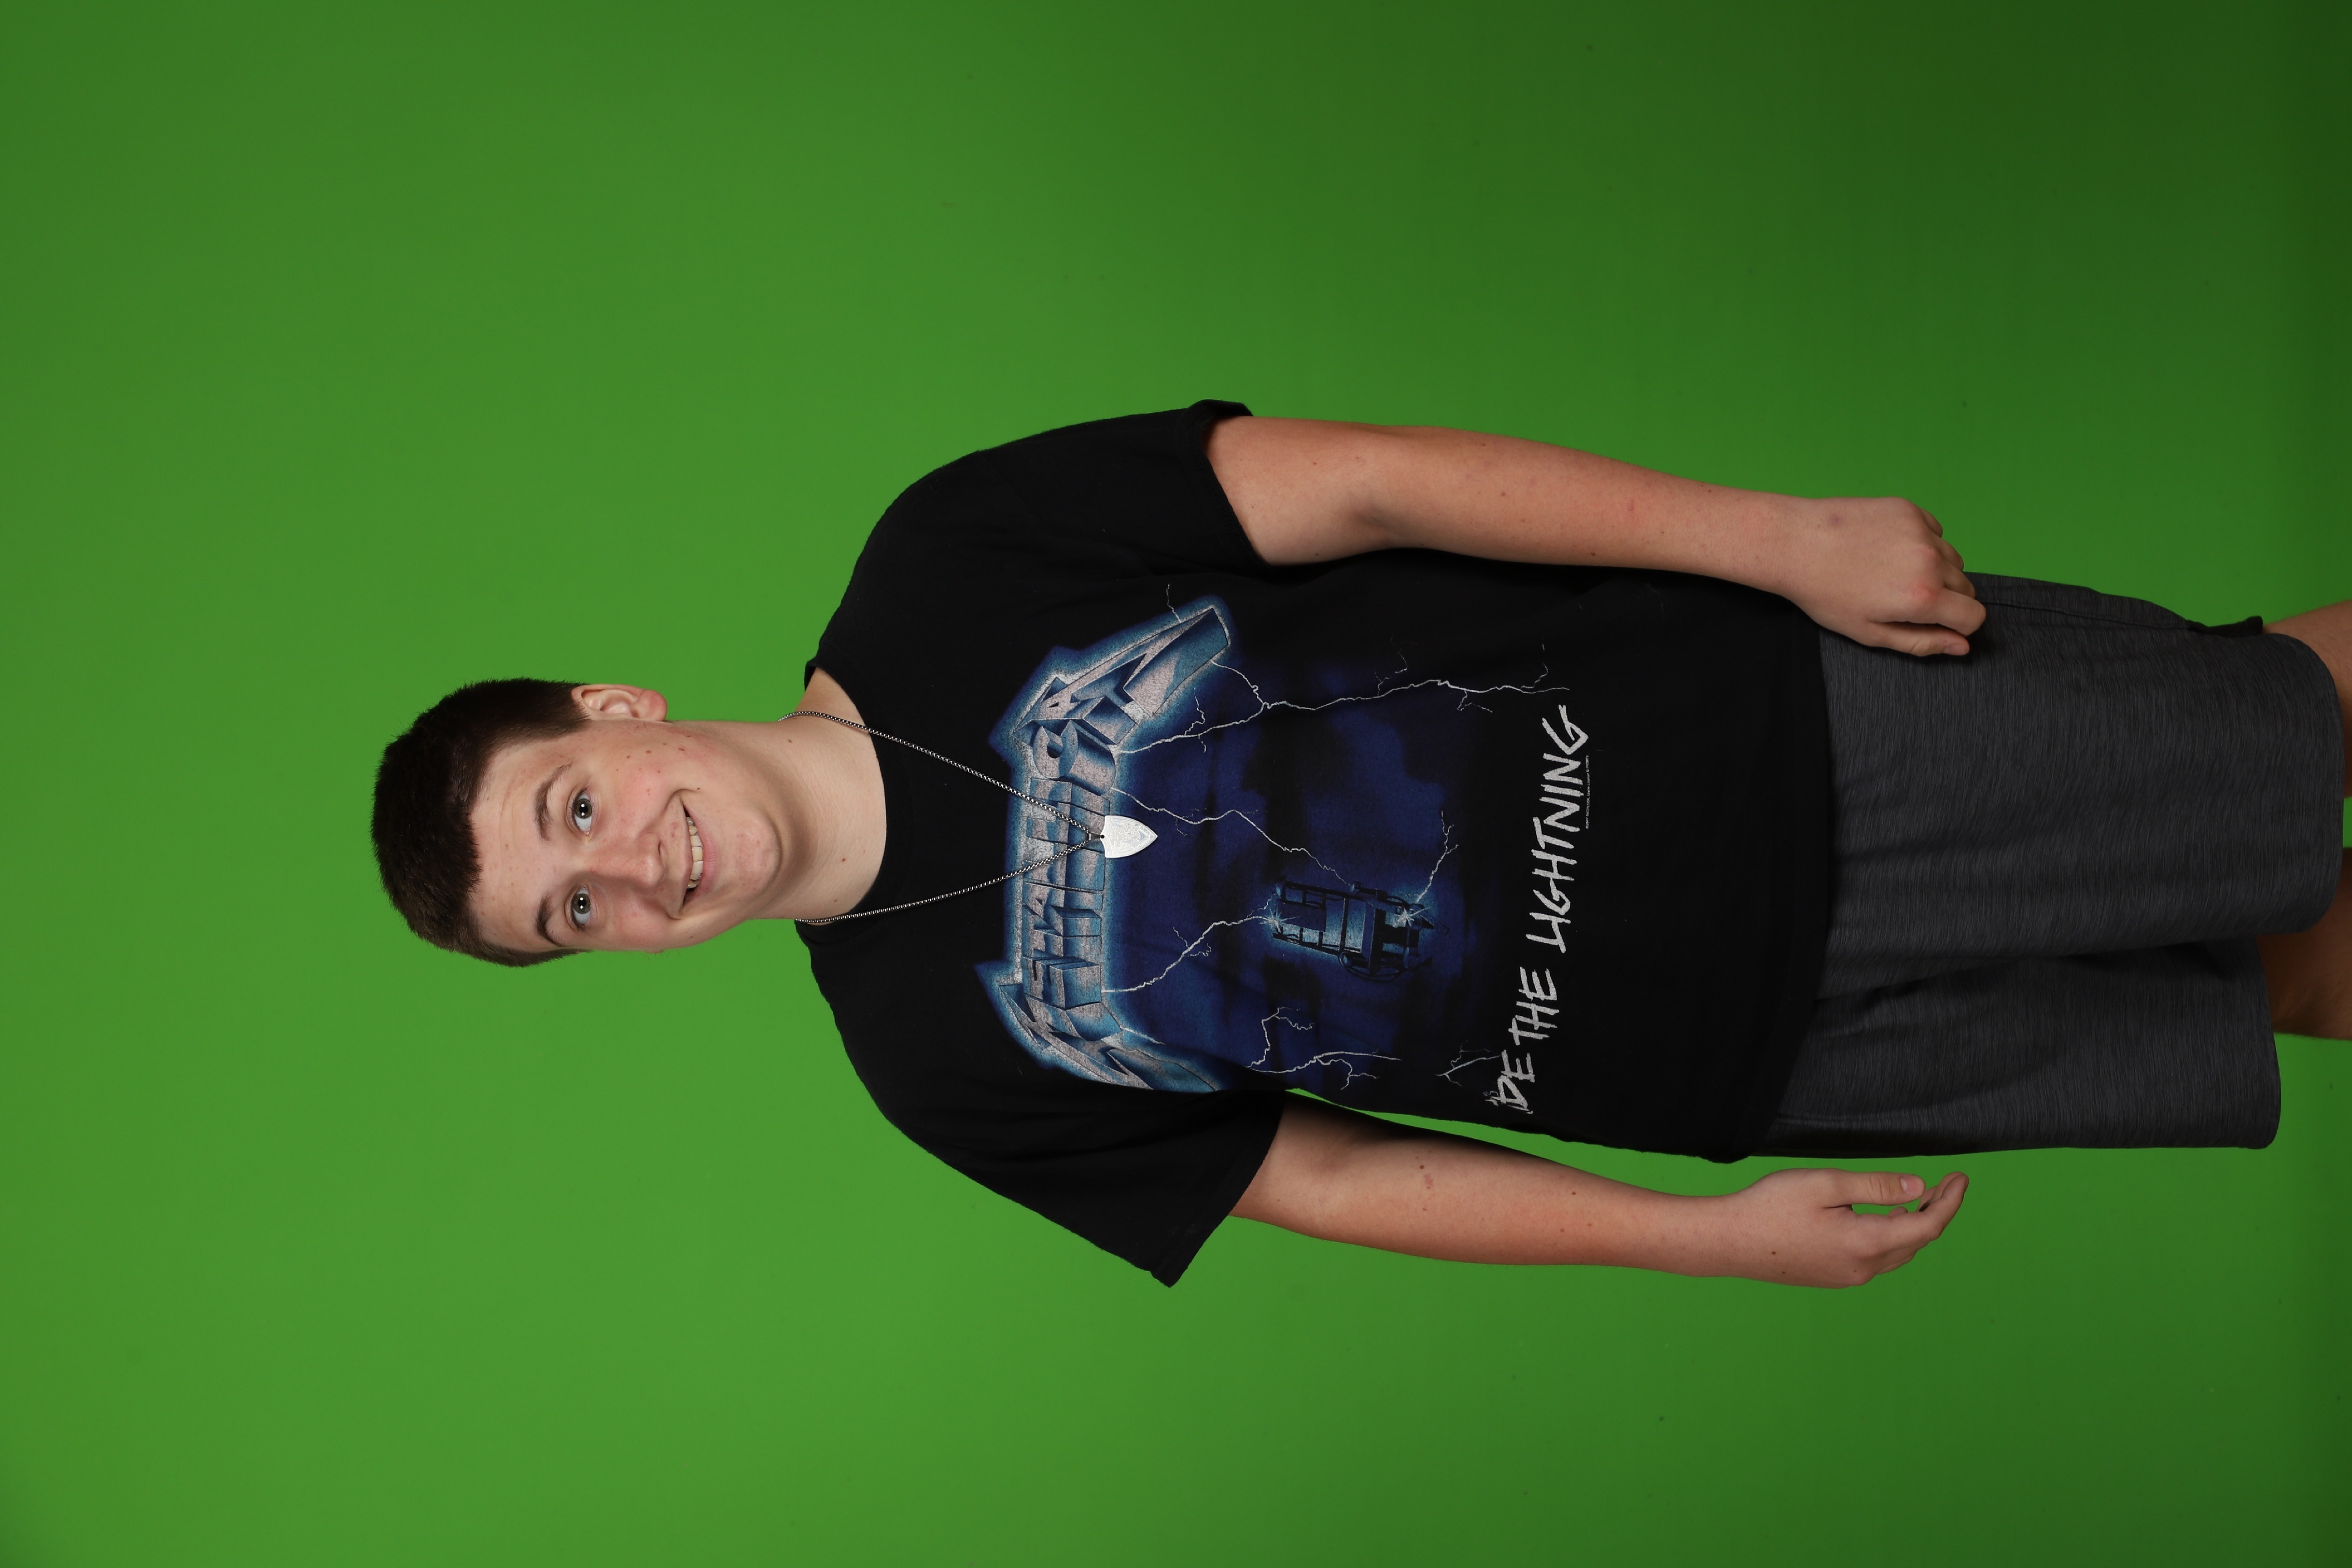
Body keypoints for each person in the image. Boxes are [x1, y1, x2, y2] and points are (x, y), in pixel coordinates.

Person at [371, 403, 2352, 1289]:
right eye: (576, 916)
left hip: (1785, 733)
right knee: (2286, 985)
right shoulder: (928, 1065)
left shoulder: (950, 555)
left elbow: (1371, 486)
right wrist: (1697, 1240)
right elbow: (1314, 1179)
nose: (630, 873)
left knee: (2282, 718)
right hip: (1747, 1054)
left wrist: (1772, 537)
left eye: (575, 810)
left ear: (612, 708)